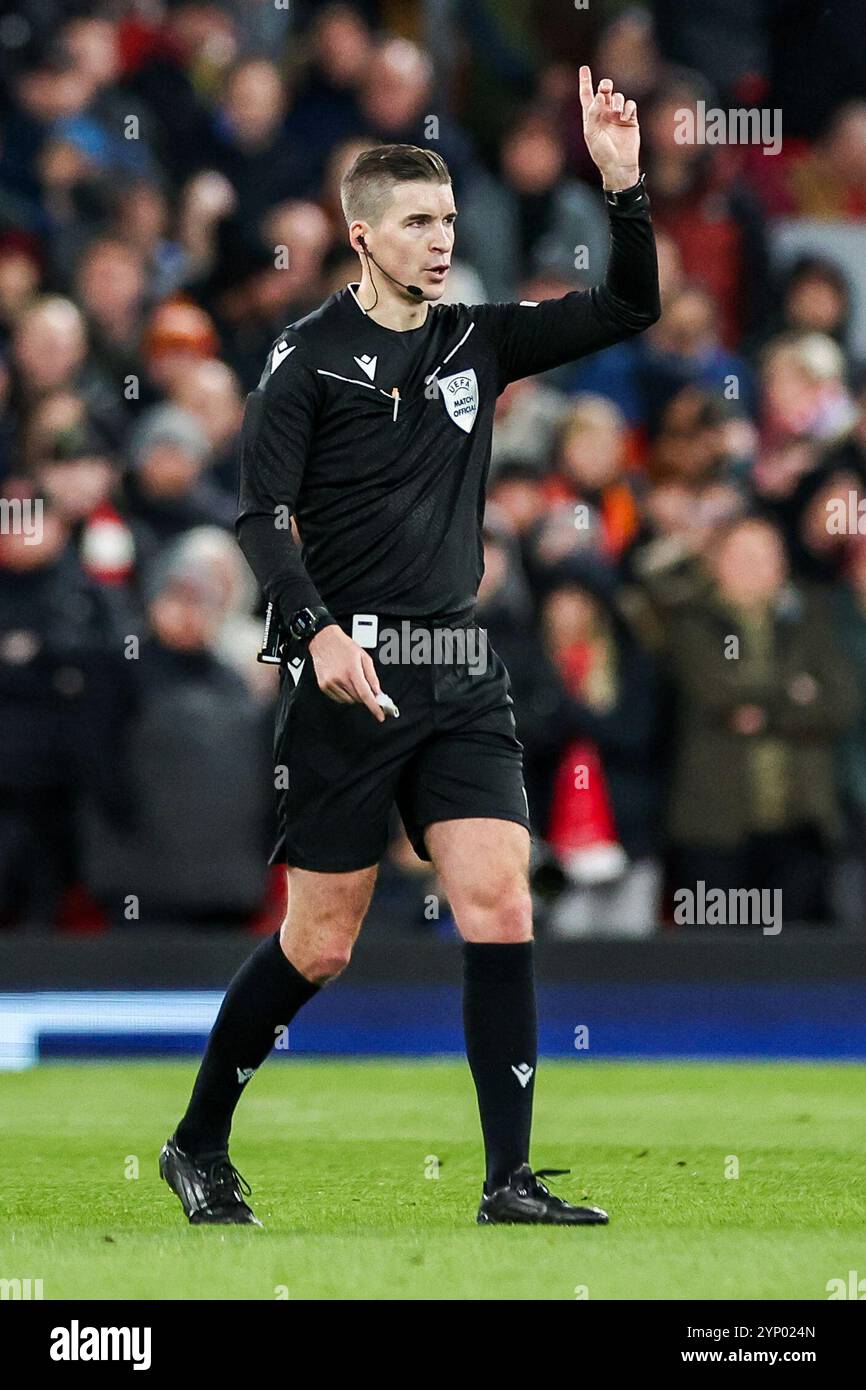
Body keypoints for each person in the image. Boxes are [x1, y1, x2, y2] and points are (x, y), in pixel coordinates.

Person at [160, 68, 661, 1227]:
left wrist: (623, 190)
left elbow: (625, 310)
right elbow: (256, 516)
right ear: (360, 236)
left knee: (497, 899)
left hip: (460, 670)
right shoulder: (306, 358)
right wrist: (315, 632)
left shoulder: (476, 342)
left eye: (446, 221)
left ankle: (507, 1180)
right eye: (419, 224)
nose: (441, 242)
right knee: (319, 942)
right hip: (353, 675)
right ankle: (197, 1140)